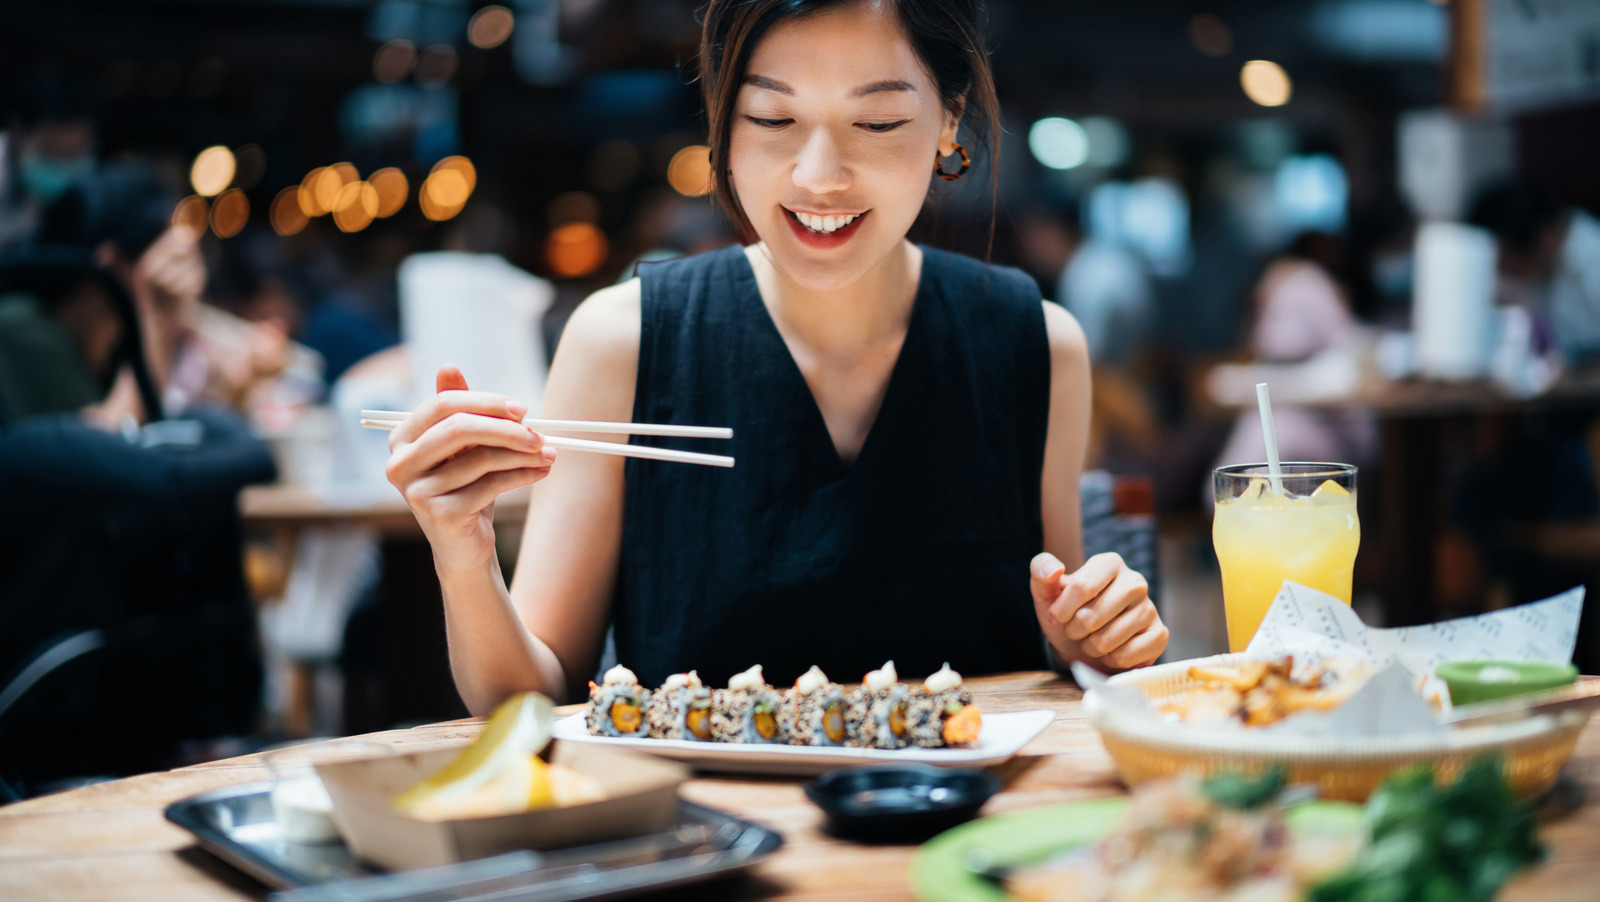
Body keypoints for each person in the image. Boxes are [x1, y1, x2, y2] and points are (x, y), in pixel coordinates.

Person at [385, 0, 1169, 713]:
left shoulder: (1036, 343)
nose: (818, 176)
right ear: (723, 126)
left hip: (956, 833)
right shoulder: (622, 341)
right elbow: (525, 697)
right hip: (702, 843)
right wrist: (463, 551)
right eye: (770, 118)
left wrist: (1090, 635)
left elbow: (1055, 640)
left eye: (879, 123)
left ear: (948, 125)